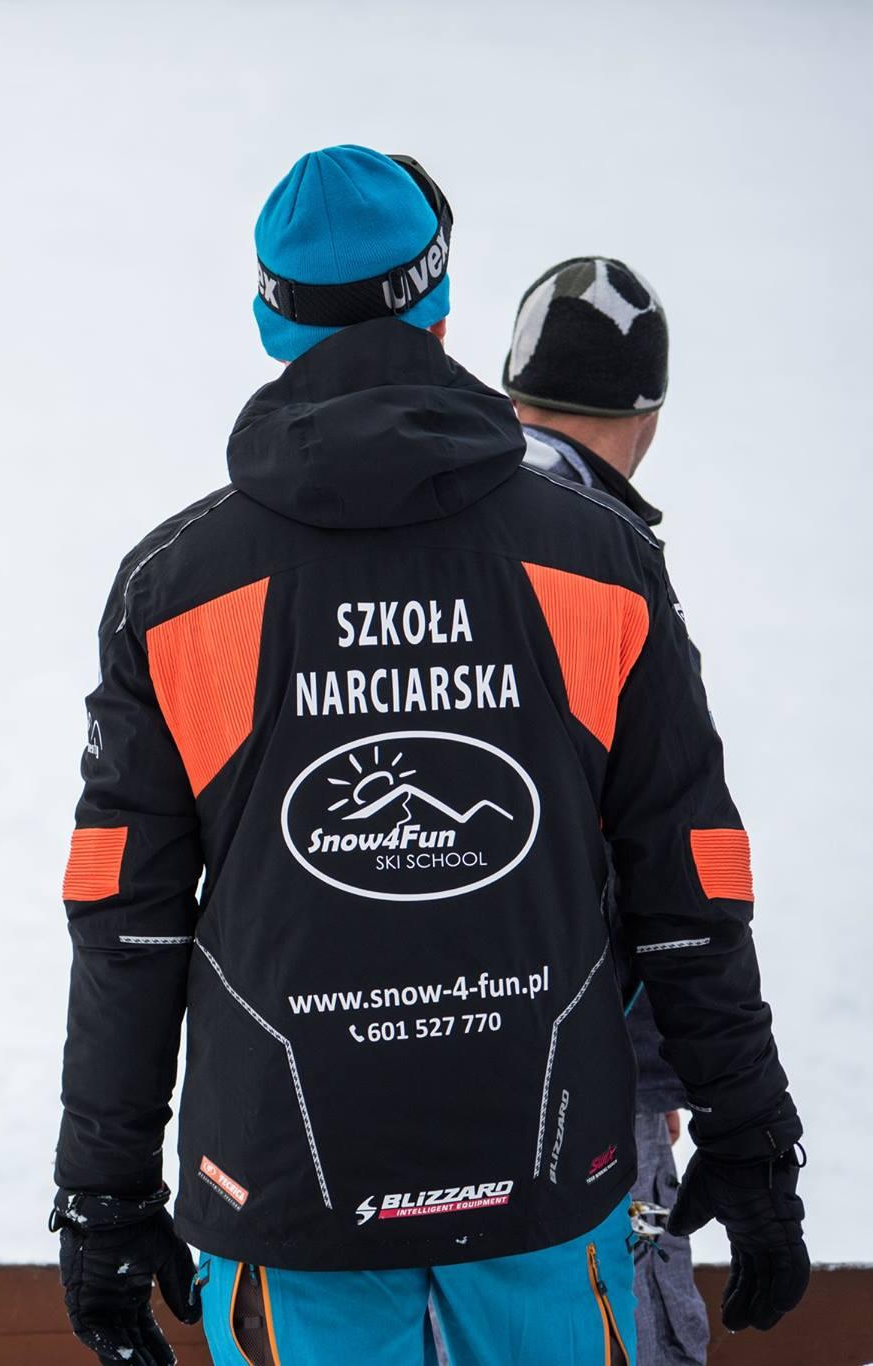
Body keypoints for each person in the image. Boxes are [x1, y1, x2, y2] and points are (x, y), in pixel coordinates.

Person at [50, 146, 807, 1366]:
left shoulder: (174, 587)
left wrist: (102, 1189)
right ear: (438, 303)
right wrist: (749, 1127)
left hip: (284, 1194)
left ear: (269, 318)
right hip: (548, 1177)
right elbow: (689, 873)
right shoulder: (596, 557)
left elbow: (123, 920)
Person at [502, 256, 708, 1364]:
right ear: (648, 416)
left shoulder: (443, 527)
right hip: (586, 1075)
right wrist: (668, 1064)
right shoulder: (610, 558)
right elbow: (663, 846)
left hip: (408, 1071)